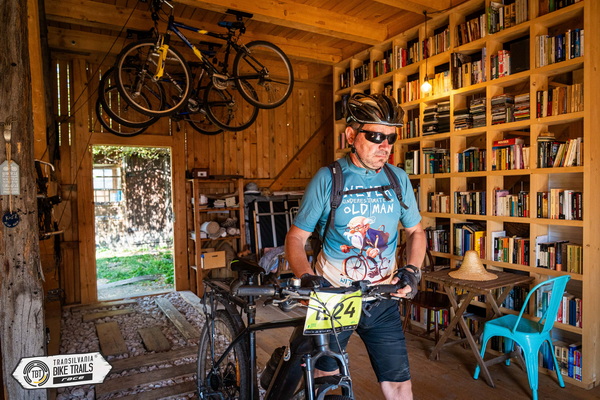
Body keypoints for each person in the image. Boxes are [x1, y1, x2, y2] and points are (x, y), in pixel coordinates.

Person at [285, 92, 426, 400]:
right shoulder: (329, 178)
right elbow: (295, 238)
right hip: (334, 298)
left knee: (400, 385)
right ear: (351, 136)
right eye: (375, 136)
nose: (385, 146)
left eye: (391, 138)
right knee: (326, 381)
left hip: (382, 297)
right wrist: (307, 277)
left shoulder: (398, 179)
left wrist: (413, 270)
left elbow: (416, 231)